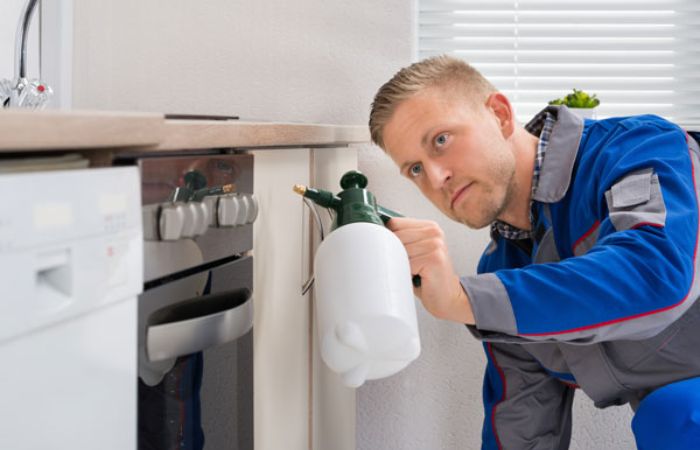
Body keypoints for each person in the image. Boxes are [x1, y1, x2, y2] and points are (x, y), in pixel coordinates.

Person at [369, 55, 700, 450]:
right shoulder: (503, 273)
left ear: (500, 115)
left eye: (441, 140)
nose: (437, 178)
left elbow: (654, 275)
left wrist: (463, 299)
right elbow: (523, 426)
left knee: (675, 412)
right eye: (416, 170)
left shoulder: (636, 149)